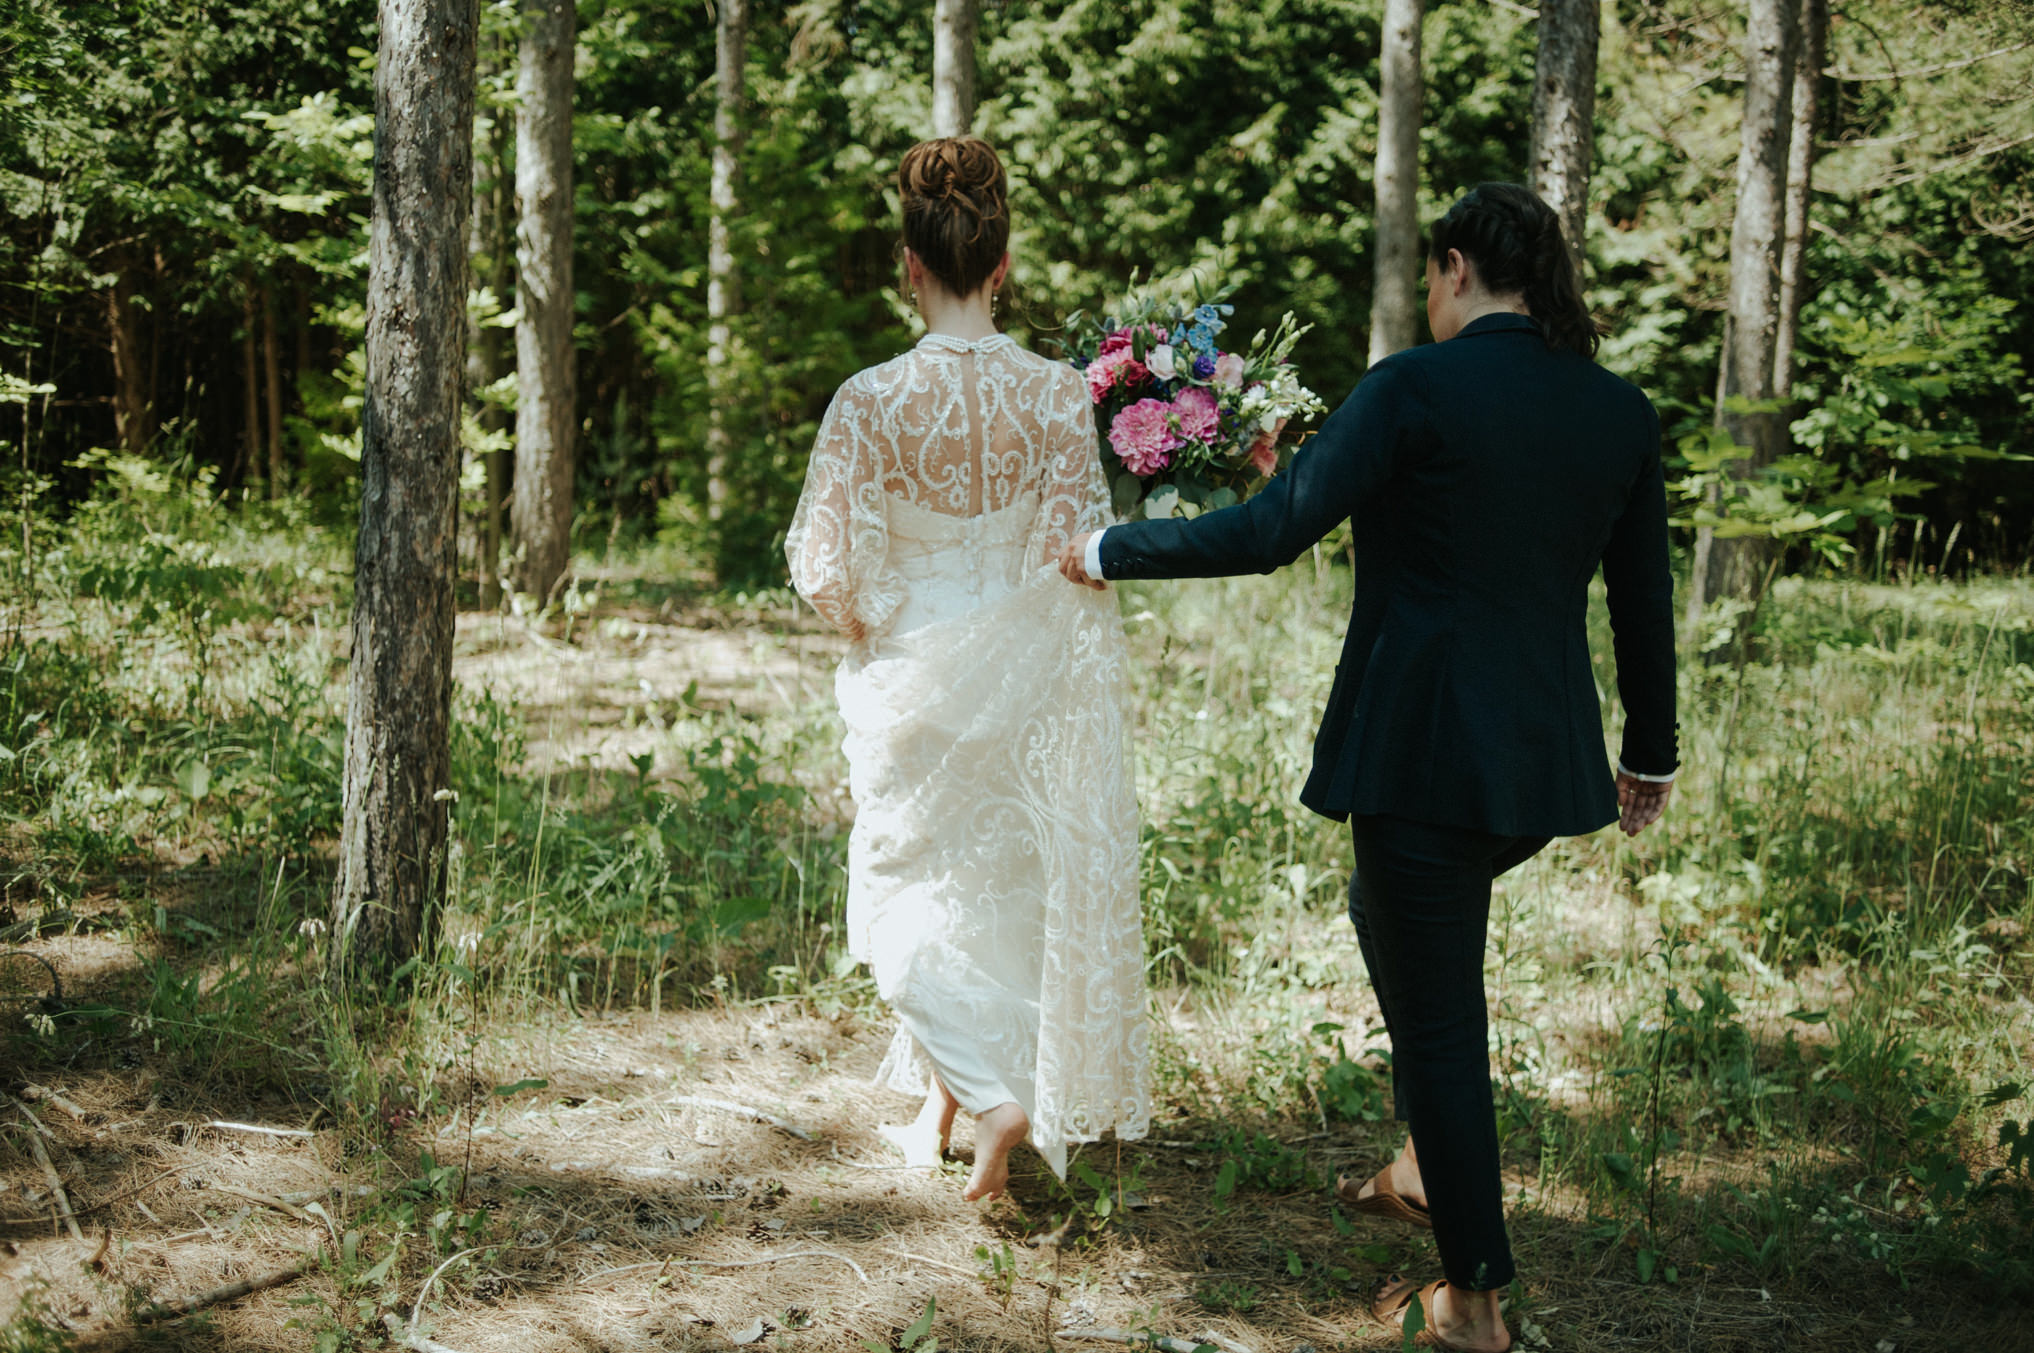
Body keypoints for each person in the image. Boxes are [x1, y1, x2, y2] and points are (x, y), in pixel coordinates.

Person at [1058, 182, 1678, 1352]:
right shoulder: (1616, 409)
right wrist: (1653, 753)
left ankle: (1475, 1302)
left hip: (1424, 761)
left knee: (1441, 1015)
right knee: (1387, 918)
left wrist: (1107, 545)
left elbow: (1267, 536)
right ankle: (1423, 1162)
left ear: (1453, 269)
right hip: (1536, 773)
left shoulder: (1414, 385)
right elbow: (1641, 598)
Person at [786, 137, 1151, 1202]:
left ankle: (994, 1097)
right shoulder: (1053, 396)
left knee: (897, 901)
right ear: (1001, 265)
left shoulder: (869, 399)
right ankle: (945, 1107)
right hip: (1023, 666)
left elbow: (825, 567)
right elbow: (1080, 549)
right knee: (991, 890)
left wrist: (877, 624)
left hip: (910, 666)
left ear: (910, 264)